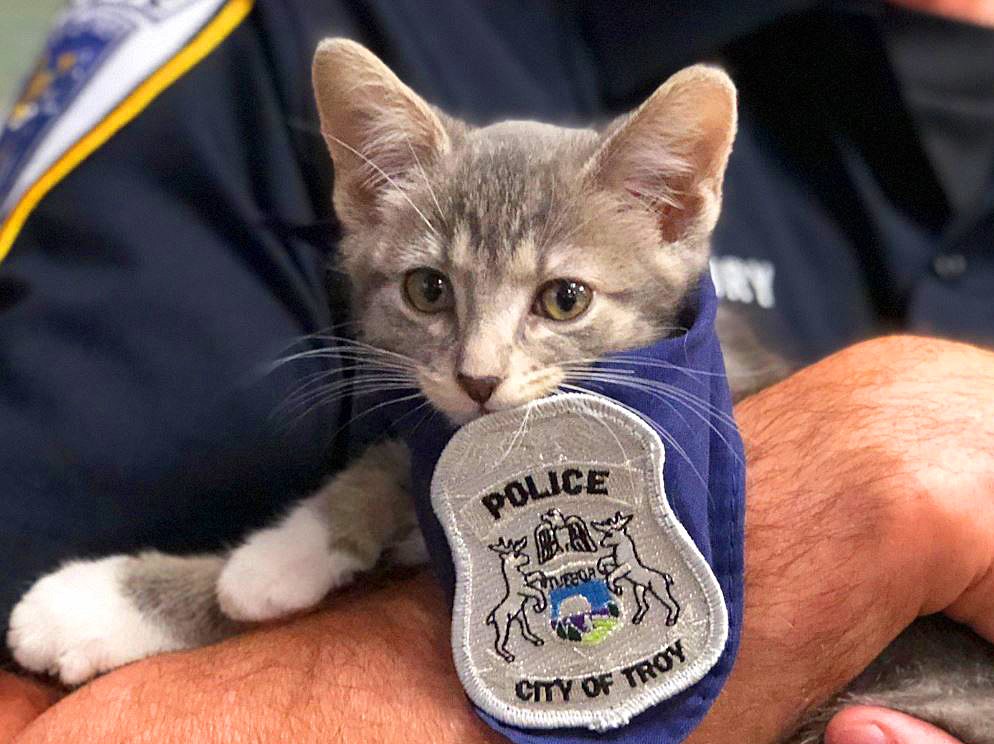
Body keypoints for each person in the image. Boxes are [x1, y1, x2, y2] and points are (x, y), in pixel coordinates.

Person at [0, 1, 991, 742]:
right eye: (434, 294)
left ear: (679, 205)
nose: (477, 365)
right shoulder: (274, 35)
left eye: (559, 299)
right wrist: (847, 503)